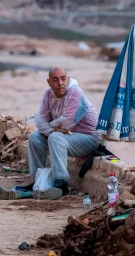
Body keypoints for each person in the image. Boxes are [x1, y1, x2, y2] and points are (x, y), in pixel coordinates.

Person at [22, 67, 102, 200]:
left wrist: (51, 127)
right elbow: (40, 120)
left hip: (90, 138)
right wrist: (53, 128)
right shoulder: (48, 94)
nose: (60, 83)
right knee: (34, 137)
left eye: (63, 79)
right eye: (55, 80)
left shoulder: (75, 92)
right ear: (49, 82)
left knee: (55, 137)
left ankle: (61, 184)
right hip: (68, 137)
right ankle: (38, 181)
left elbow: (67, 122)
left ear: (68, 79)